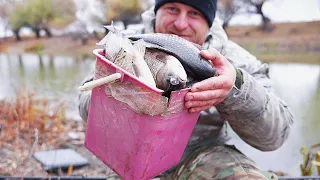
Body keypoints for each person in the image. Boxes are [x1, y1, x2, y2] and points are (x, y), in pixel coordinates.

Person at [78, 0, 294, 179]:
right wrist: (123, 89)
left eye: (194, 13)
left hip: (202, 152)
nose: (181, 24)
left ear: (209, 21)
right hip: (132, 156)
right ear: (157, 11)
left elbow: (274, 137)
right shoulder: (124, 45)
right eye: (172, 9)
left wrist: (235, 88)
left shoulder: (235, 60)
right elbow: (85, 108)